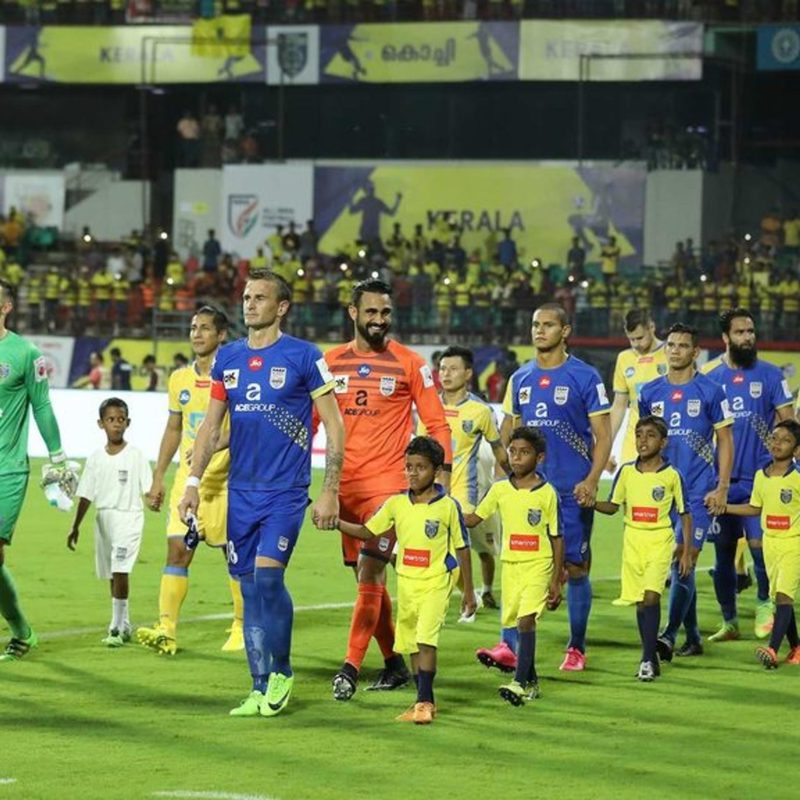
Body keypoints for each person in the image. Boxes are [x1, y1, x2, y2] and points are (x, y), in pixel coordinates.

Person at [178, 271, 345, 717]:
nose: (249, 304)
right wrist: (193, 482)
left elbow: (334, 424)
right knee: (249, 590)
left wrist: (329, 490)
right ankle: (257, 686)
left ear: (282, 307)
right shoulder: (229, 358)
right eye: (246, 297)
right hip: (240, 492)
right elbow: (212, 426)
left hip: (285, 492)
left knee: (269, 579)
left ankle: (282, 672)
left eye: (259, 297)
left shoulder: (305, 356)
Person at [322, 278, 452, 700]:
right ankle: (394, 663)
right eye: (371, 312)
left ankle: (349, 669)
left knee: (370, 571)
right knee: (368, 583)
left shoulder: (410, 363)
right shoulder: (330, 363)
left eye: (385, 313)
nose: (379, 320)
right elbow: (311, 422)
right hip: (344, 491)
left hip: (389, 490)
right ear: (353, 313)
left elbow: (437, 423)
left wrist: (443, 478)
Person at [485, 303, 611, 673]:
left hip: (571, 490)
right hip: (528, 492)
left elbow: (603, 436)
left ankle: (576, 647)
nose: (539, 330)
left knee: (575, 566)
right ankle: (508, 645)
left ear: (565, 331)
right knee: (517, 564)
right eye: (535, 324)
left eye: (548, 325)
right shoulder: (520, 378)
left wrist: (592, 480)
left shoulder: (585, 376)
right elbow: (508, 428)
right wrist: (506, 471)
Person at [333, 437, 474, 725]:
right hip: (407, 583)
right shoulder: (397, 503)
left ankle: (425, 702)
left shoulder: (448, 506)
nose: (412, 473)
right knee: (410, 643)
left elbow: (463, 548)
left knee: (425, 640)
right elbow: (367, 531)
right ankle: (421, 700)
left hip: (437, 581)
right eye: (409, 467)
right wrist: (336, 522)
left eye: (420, 468)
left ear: (436, 471)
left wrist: (469, 592)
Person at [137, 307, 243, 655]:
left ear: (221, 335)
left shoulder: (235, 377)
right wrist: (158, 476)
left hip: (226, 482)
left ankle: (241, 626)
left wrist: (212, 447)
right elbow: (173, 429)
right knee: (177, 550)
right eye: (193, 327)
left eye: (205, 328)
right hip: (188, 482)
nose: (196, 334)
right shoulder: (179, 379)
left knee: (235, 556)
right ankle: (166, 630)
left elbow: (244, 425)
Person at [638, 322, 734, 661]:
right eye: (671, 345)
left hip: (697, 492)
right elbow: (644, 441)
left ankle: (667, 635)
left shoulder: (711, 391)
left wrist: (722, 487)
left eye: (682, 345)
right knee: (680, 565)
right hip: (660, 494)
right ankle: (692, 636)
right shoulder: (649, 392)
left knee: (685, 557)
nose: (675, 350)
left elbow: (725, 439)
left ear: (695, 352)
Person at [701, 309, 794, 642]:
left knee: (759, 548)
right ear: (725, 337)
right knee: (723, 554)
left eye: (751, 331)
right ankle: (729, 621)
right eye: (740, 332)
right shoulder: (710, 378)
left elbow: (789, 425)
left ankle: (764, 603)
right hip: (722, 482)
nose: (748, 337)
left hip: (760, 480)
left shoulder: (771, 375)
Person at [465, 427, 563, 704]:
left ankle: (518, 683)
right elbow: (474, 518)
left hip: (538, 564)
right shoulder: (500, 489)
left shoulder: (547, 493)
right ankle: (531, 682)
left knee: (526, 621)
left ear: (539, 457)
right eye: (513, 451)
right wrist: (446, 511)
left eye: (524, 452)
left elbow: (557, 537)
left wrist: (556, 579)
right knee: (518, 624)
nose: (517, 457)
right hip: (511, 566)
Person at [0, 279, 70, 661]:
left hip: (7, 469)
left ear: (6, 306)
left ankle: (20, 632)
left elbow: (41, 405)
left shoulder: (26, 354)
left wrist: (57, 456)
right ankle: (23, 632)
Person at [594, 416, 693, 681]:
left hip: (660, 541)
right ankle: (649, 655)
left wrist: (685, 552)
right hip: (632, 542)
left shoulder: (672, 475)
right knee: (640, 602)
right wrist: (591, 503)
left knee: (651, 597)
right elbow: (613, 506)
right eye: (639, 435)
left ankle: (647, 659)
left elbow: (685, 513)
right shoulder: (626, 472)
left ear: (663, 442)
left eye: (650, 435)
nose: (643, 440)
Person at [427, 346, 509, 611]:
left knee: (464, 546)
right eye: (442, 369)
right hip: (433, 489)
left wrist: (516, 479)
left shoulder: (480, 410)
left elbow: (498, 450)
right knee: (431, 546)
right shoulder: (429, 405)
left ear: (468, 373)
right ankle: (468, 595)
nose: (446, 374)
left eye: (453, 369)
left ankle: (473, 595)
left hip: (466, 491)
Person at [66, 398, 153, 647]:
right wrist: (75, 526)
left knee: (120, 568)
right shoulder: (95, 458)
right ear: (101, 423)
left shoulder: (136, 456)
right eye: (111, 419)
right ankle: (124, 624)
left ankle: (114, 627)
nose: (116, 424)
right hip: (103, 518)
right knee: (112, 573)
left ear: (128, 422)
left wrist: (154, 500)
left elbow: (148, 489)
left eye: (121, 419)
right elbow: (85, 494)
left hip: (129, 516)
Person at [724, 419, 800, 668]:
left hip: (793, 544)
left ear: (796, 448)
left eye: (786, 440)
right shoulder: (761, 475)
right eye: (774, 438)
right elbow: (755, 508)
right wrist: (726, 507)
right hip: (770, 543)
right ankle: (796, 648)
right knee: (779, 596)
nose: (778, 444)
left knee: (784, 596)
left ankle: (772, 649)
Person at [608, 309, 667, 471]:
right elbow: (619, 406)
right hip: (634, 441)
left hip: (665, 439)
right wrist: (606, 447)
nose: (635, 344)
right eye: (631, 339)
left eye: (640, 338)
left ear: (651, 327)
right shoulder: (624, 358)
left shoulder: (670, 353)